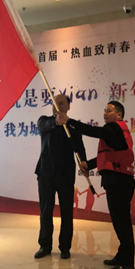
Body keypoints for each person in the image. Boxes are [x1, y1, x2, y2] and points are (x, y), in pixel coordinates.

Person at [56, 101, 135, 269]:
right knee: (119, 222)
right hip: (117, 182)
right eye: (104, 110)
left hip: (120, 182)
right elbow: (107, 155)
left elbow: (93, 131)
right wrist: (89, 164)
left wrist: (69, 121)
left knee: (122, 223)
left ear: (119, 115)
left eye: (109, 110)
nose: (105, 113)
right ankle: (122, 255)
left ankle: (128, 263)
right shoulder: (116, 132)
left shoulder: (114, 128)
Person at [34, 94, 87, 259]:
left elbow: (79, 148)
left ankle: (65, 247)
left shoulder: (73, 127)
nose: (57, 106)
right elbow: (44, 126)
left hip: (65, 175)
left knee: (66, 213)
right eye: (54, 103)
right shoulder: (44, 121)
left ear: (68, 107)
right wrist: (56, 122)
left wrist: (84, 162)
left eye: (61, 103)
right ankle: (44, 245)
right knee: (45, 211)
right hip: (46, 174)